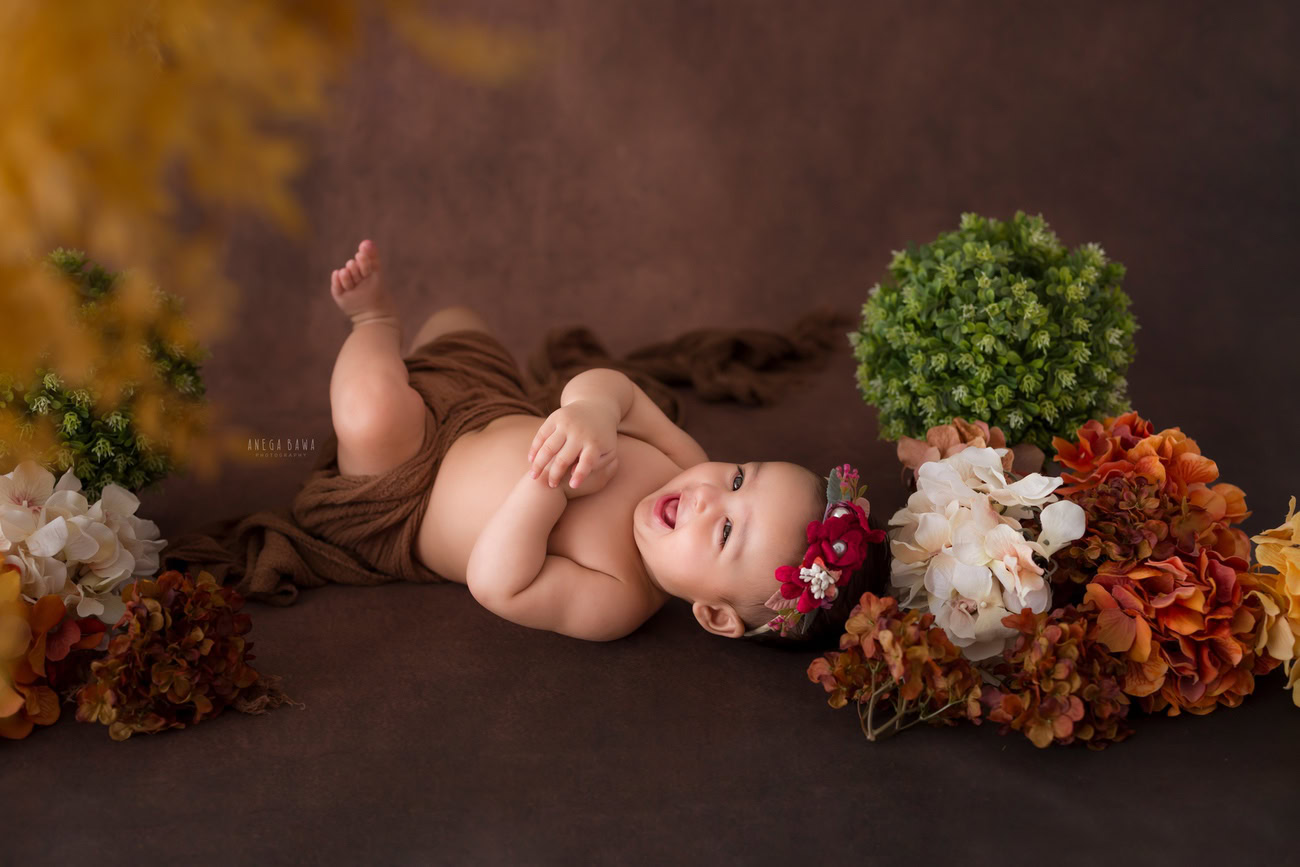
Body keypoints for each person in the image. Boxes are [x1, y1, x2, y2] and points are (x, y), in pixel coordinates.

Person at [320, 238, 889, 646]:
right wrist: (592, 410)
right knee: (457, 319)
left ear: (715, 615)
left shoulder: (616, 600)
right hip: (483, 409)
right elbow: (620, 392)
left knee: (370, 413)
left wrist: (551, 487)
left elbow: (495, 583)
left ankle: (373, 322)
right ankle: (423, 358)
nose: (709, 495)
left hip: (405, 493)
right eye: (739, 477)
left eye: (724, 531)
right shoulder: (683, 461)